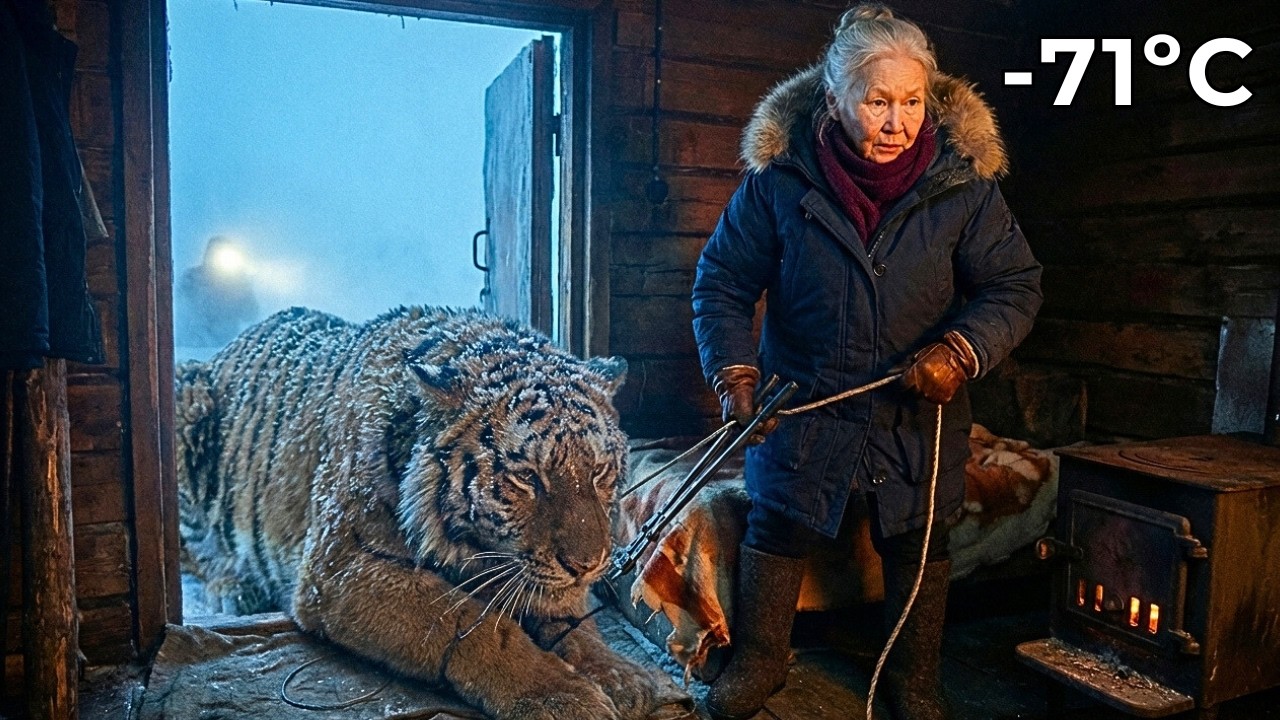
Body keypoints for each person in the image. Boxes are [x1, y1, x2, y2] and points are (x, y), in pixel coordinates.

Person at [690, 5, 1042, 719]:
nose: (897, 120)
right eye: (878, 101)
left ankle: (914, 679)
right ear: (834, 100)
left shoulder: (964, 189)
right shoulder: (780, 184)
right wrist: (735, 376)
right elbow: (723, 282)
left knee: (918, 534)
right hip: (804, 403)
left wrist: (960, 350)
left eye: (911, 101)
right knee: (779, 522)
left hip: (920, 416)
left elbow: (1014, 285)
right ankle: (762, 661)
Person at [176, 235, 260, 352]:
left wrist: (244, 288)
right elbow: (179, 310)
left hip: (226, 348)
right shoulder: (192, 278)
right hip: (194, 346)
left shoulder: (238, 283)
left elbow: (251, 314)